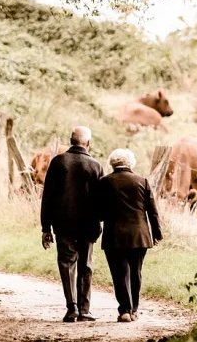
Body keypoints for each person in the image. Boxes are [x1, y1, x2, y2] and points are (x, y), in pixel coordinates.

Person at [40, 126, 104, 322]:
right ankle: (85, 310)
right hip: (88, 225)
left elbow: (47, 197)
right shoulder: (95, 165)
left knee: (67, 264)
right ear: (88, 143)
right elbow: (101, 199)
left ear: (70, 140)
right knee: (85, 265)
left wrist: (46, 228)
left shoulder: (58, 162)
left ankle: (72, 307)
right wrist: (100, 221)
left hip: (63, 224)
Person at [98, 149, 163, 323]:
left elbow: (99, 212)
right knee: (136, 272)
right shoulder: (142, 181)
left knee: (119, 273)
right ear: (130, 163)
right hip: (139, 235)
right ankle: (134, 309)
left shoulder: (104, 182)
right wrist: (156, 233)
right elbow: (153, 212)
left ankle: (124, 310)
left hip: (114, 235)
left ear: (112, 163)